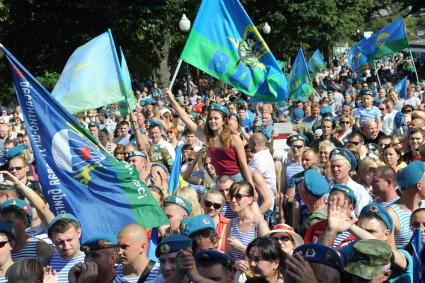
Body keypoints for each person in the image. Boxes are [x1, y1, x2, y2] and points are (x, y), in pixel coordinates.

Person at [166, 90, 253, 185]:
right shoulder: (207, 137)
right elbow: (185, 118)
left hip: (237, 179)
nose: (212, 121)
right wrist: (171, 100)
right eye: (210, 118)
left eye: (216, 118)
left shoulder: (234, 138)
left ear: (224, 121)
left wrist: (251, 186)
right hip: (220, 180)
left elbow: (244, 165)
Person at [0, 199, 54, 265]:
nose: (4, 227)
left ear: (24, 222)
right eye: (2, 223)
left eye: (10, 222)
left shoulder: (39, 247)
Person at [226, 181, 270, 262]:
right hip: (234, 272)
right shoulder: (231, 223)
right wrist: (234, 265)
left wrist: (242, 247)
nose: (233, 200)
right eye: (231, 196)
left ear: (250, 199)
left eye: (238, 196)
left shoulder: (259, 224)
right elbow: (227, 254)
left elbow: (268, 254)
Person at [329, 147, 371, 216]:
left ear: (349, 167)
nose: (335, 169)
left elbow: (362, 217)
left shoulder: (359, 190)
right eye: (332, 166)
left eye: (339, 166)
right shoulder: (325, 187)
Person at [48, 213, 85, 283]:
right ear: (52, 240)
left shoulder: (92, 260)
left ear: (79, 233)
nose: (66, 246)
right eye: (60, 242)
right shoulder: (48, 262)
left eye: (69, 240)